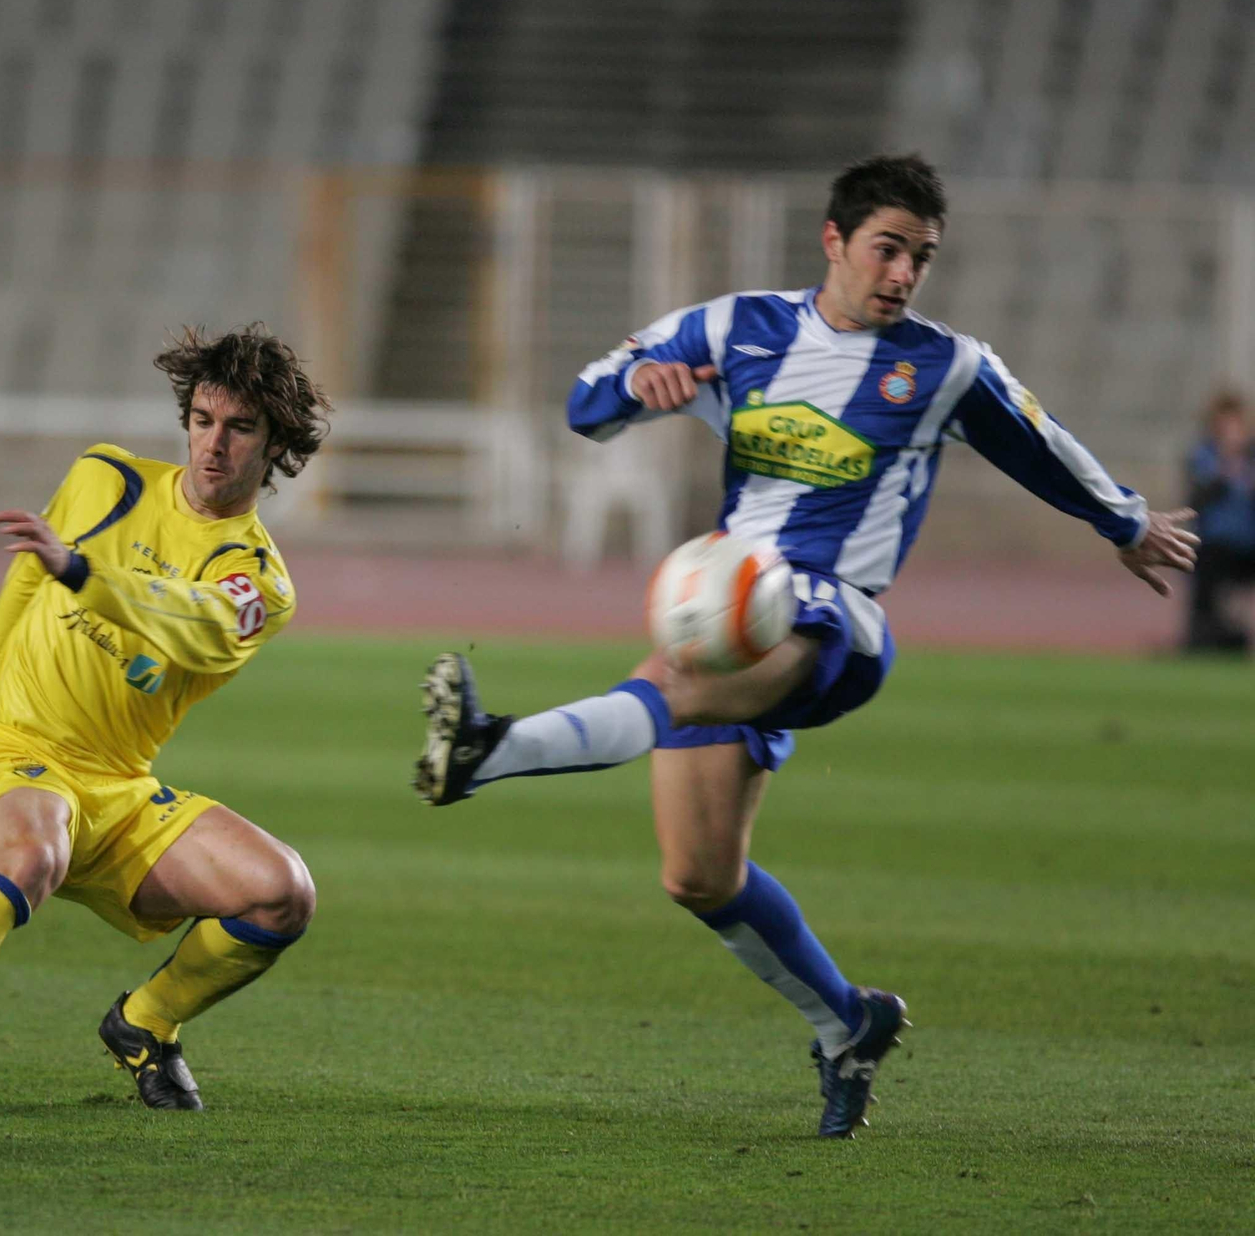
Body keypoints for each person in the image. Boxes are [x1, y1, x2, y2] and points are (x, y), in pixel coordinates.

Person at [413, 155, 1199, 1138]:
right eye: (888, 248)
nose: (904, 273)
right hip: (732, 605)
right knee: (697, 875)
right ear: (833, 241)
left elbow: (1038, 439)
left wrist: (1123, 521)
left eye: (922, 256)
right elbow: (586, 400)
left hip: (840, 620)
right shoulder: (734, 328)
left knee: (683, 675)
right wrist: (641, 389)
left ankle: (492, 750)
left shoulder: (943, 365)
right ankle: (849, 1023)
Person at [0, 324, 331, 1121]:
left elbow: (189, 618)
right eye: (204, 420)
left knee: (281, 893)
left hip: (118, 787)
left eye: (240, 427)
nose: (214, 445)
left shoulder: (259, 582)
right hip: (15, 747)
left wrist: (82, 570)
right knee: (32, 848)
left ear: (276, 442)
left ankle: (145, 1023)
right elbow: (25, 583)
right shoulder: (106, 479)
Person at [1183, 390, 1255, 651]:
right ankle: (1201, 638)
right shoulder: (1203, 457)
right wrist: (1224, 468)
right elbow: (1194, 501)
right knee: (1202, 563)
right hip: (1214, 545)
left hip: (1249, 545)